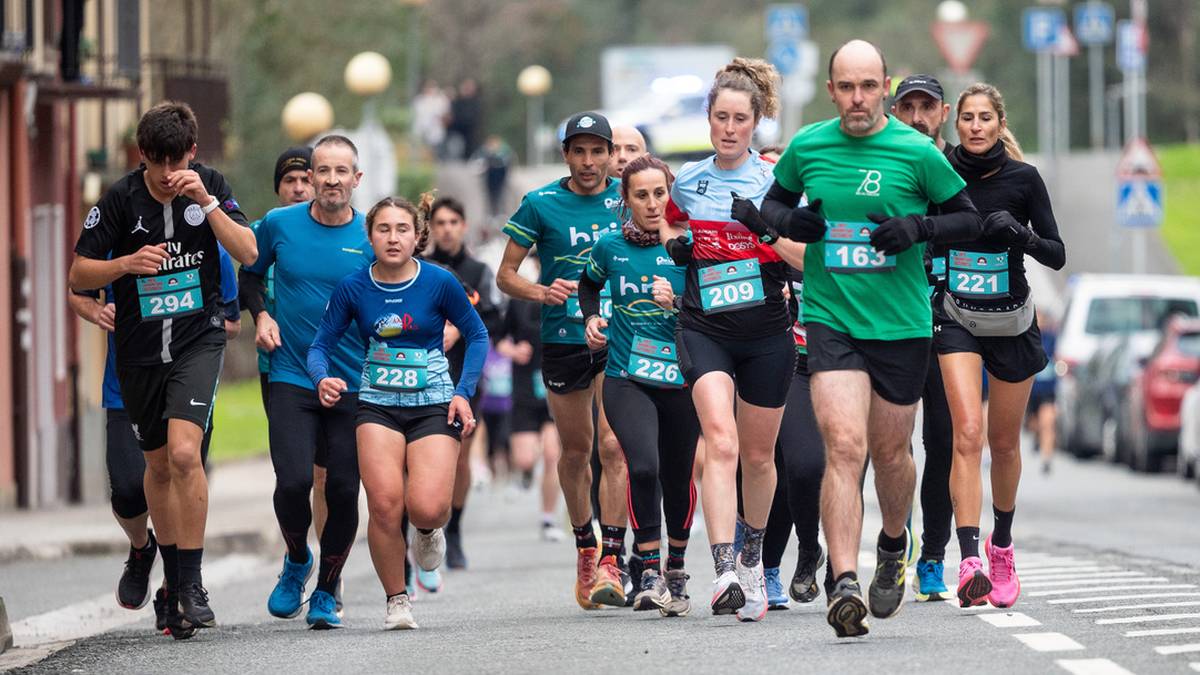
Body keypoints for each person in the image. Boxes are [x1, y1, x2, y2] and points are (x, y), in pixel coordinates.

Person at [759, 40, 982, 637]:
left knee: (890, 454)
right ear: (831, 91)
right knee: (844, 446)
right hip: (832, 318)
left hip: (902, 327)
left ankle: (891, 544)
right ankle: (844, 582)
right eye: (845, 87)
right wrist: (789, 221)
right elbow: (769, 205)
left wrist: (918, 227)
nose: (857, 98)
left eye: (867, 86)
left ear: (885, 86)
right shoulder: (808, 145)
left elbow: (969, 218)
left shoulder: (915, 151)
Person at [69, 101, 258, 638]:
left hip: (199, 342)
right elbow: (79, 270)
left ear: (193, 154)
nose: (169, 174)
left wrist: (210, 204)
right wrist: (126, 264)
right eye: (158, 164)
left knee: (183, 453)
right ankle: (171, 581)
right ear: (143, 156)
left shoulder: (210, 183)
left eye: (178, 162)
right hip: (139, 351)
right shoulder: (120, 200)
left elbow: (248, 251)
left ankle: (192, 584)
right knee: (154, 469)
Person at [659, 58, 805, 622]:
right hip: (705, 327)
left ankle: (751, 555)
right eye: (720, 117)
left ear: (756, 121)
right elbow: (670, 222)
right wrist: (679, 246)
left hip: (768, 331)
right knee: (720, 443)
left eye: (739, 119)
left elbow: (804, 260)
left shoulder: (775, 181)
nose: (728, 128)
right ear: (709, 119)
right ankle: (722, 572)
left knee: (759, 455)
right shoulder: (691, 179)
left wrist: (764, 228)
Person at [307, 194, 488, 630]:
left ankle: (427, 531)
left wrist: (463, 392)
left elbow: (477, 335)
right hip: (377, 404)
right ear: (369, 236)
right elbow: (320, 346)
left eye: (402, 229)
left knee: (427, 507)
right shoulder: (354, 286)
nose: (393, 238)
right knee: (385, 507)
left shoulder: (440, 282)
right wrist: (322, 378)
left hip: (433, 403)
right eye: (383, 229)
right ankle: (397, 599)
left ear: (417, 236)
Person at [936, 83, 1065, 609]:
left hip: (1012, 321)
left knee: (1004, 444)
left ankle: (1001, 545)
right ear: (957, 124)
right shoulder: (939, 171)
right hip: (955, 317)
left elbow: (1056, 254)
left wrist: (1022, 237)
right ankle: (969, 560)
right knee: (967, 433)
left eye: (985, 117)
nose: (975, 126)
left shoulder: (1024, 179)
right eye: (966, 117)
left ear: (998, 122)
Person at [496, 111, 632, 609]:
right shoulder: (541, 203)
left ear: (611, 154)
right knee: (577, 451)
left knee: (614, 447)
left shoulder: (627, 196)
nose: (591, 161)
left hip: (622, 334)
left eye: (600, 151)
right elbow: (505, 276)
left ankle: (613, 560)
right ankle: (585, 546)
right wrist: (541, 291)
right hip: (565, 337)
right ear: (567, 155)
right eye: (581, 151)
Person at [68, 242, 239, 633]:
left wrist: (195, 322)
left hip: (186, 386)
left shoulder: (208, 243)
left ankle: (175, 590)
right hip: (129, 385)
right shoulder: (117, 241)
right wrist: (98, 311)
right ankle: (142, 549)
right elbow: (77, 291)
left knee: (181, 471)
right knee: (129, 491)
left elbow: (232, 321)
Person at [241, 135, 371, 629]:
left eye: (343, 172)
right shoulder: (279, 225)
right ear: (310, 178)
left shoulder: (370, 234)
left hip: (354, 381)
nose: (332, 180)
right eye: (323, 171)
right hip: (293, 374)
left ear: (356, 179)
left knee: (341, 488)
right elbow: (249, 275)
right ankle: (298, 559)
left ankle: (328, 589)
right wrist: (262, 316)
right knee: (293, 483)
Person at [579, 154, 698, 616]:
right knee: (642, 466)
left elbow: (715, 307)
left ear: (671, 194)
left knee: (677, 474)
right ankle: (647, 569)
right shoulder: (610, 246)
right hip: (627, 376)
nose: (652, 204)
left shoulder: (689, 246)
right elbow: (588, 285)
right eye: (641, 195)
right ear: (625, 200)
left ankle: (676, 568)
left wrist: (682, 301)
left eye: (659, 193)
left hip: (682, 379)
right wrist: (592, 317)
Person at [890, 73, 957, 602]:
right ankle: (896, 543)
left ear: (944, 112)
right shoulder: (885, 166)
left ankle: (934, 556)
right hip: (893, 320)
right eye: (907, 106)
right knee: (888, 445)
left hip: (951, 324)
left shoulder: (957, 172)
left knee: (943, 443)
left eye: (926, 107)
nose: (917, 116)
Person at [426, 196, 504, 570]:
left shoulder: (478, 270)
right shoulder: (417, 268)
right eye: (439, 222)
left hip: (465, 378)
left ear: (463, 225)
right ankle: (423, 525)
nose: (446, 229)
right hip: (419, 377)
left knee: (458, 458)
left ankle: (454, 529)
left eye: (452, 222)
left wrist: (459, 328)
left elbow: (494, 319)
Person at [498, 296, 565, 541]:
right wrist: (513, 351)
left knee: (551, 455)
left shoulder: (565, 298)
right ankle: (525, 474)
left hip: (555, 388)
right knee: (525, 459)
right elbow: (496, 338)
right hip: (525, 389)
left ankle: (548, 518)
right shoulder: (518, 302)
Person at [1028, 309, 1058, 474]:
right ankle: (1035, 437)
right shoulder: (1026, 337)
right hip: (1030, 389)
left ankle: (1047, 458)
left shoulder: (1052, 338)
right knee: (1034, 423)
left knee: (1048, 422)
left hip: (1047, 388)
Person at [412, 79, 450, 158]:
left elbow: (445, 115)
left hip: (435, 130)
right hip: (421, 129)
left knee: (435, 152)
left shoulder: (441, 100)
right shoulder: (419, 100)